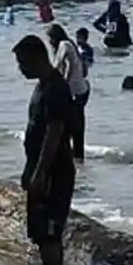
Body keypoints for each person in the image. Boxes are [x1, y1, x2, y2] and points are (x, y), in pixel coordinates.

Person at [13, 35, 77, 265]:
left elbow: (54, 133)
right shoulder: (42, 85)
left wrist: (40, 173)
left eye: (21, 62)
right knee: (40, 232)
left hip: (54, 171)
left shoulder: (55, 88)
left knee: (50, 233)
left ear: (36, 58)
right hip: (39, 167)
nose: (20, 69)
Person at [48, 24, 89, 162]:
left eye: (50, 38)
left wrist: (64, 84)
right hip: (81, 91)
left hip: (74, 93)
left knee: (67, 128)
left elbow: (68, 64)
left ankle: (72, 159)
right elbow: (82, 68)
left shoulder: (64, 45)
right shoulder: (70, 45)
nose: (49, 41)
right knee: (77, 129)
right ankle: (79, 160)